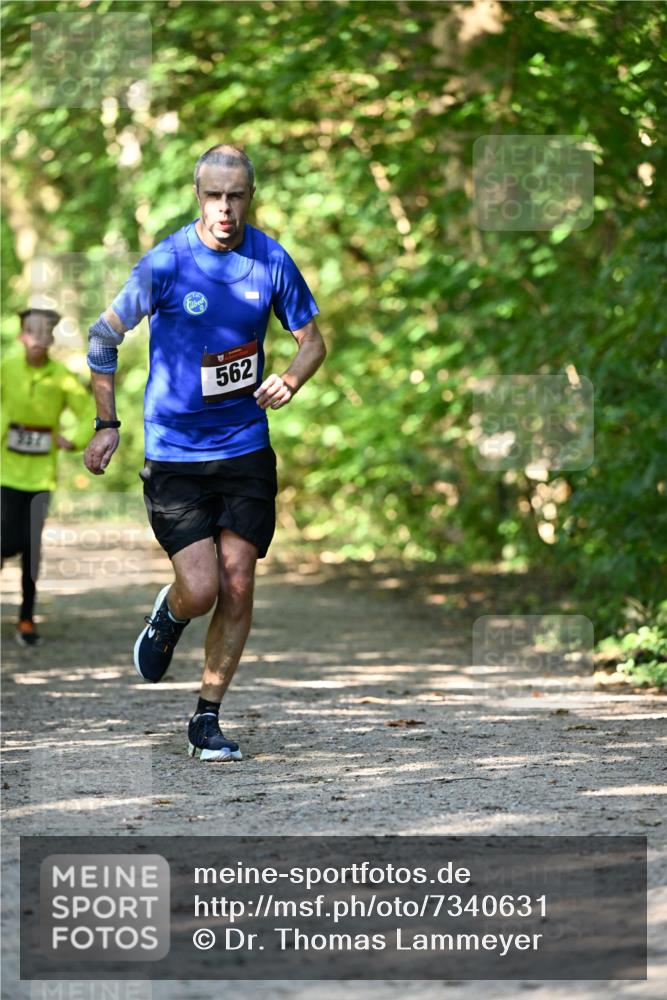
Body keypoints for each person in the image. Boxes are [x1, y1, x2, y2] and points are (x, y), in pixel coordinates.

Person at [83, 143, 326, 762]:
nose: (224, 207)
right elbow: (103, 335)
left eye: (235, 196)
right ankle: (172, 612)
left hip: (244, 446)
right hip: (175, 453)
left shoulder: (270, 260)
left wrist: (291, 378)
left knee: (239, 584)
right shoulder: (165, 262)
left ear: (249, 197)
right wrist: (105, 422)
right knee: (202, 587)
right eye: (214, 195)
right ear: (199, 196)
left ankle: (206, 718)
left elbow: (312, 342)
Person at [1, 308, 92, 646]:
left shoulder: (62, 377)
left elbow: (87, 412)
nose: (39, 339)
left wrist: (74, 439)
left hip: (41, 477)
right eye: (32, 332)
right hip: (5, 472)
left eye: (45, 333)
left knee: (31, 548)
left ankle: (26, 617)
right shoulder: (7, 367)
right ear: (22, 335)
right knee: (6, 541)